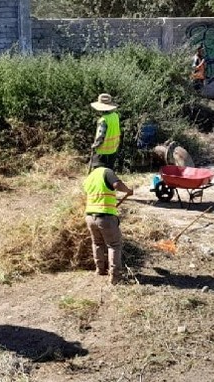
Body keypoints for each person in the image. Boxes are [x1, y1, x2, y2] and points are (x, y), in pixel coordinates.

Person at [83, 154, 133, 285]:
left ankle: (99, 269)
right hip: (105, 216)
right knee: (114, 245)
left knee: (97, 243)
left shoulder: (89, 177)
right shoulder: (106, 172)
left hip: (89, 216)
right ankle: (115, 277)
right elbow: (117, 184)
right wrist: (128, 190)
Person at [90, 93, 121, 170]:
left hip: (102, 152)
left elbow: (100, 137)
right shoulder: (115, 116)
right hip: (113, 150)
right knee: (109, 173)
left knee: (99, 174)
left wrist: (94, 146)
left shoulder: (103, 120)